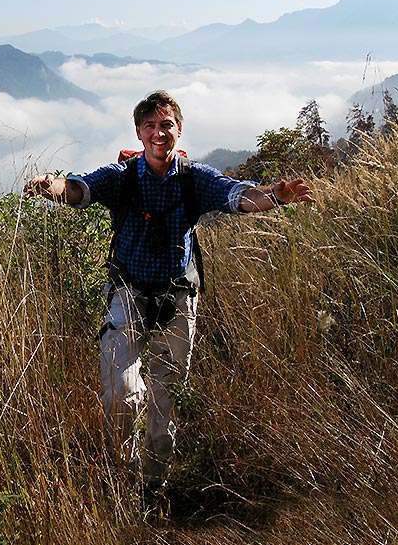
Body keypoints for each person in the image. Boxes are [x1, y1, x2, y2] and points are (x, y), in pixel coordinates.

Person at [23, 91, 314, 510]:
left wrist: (277, 195)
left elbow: (237, 196)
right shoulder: (122, 176)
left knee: (166, 400)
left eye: (167, 125)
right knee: (120, 394)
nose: (160, 134)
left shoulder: (195, 178)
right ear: (139, 133)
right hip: (128, 295)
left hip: (178, 300)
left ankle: (151, 488)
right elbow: (81, 187)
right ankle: (120, 479)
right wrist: (51, 186)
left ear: (179, 129)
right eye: (151, 127)